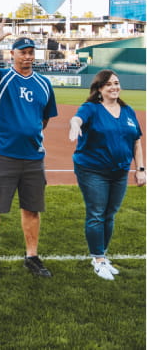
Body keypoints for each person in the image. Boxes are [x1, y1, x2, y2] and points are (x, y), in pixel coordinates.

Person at [0, 16, 57, 280]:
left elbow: (44, 119)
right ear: (12, 54)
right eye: (22, 52)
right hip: (2, 154)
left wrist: (29, 133)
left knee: (32, 208)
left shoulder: (44, 84)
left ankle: (31, 256)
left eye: (31, 52)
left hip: (33, 157)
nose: (27, 56)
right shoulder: (3, 78)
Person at [69, 69, 145, 280]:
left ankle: (102, 255)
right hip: (92, 170)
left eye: (117, 83)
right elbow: (77, 119)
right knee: (96, 213)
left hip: (119, 172)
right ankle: (99, 260)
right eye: (109, 84)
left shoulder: (127, 111)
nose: (114, 87)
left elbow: (136, 142)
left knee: (109, 215)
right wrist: (74, 125)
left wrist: (140, 169)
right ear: (100, 89)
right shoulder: (91, 108)